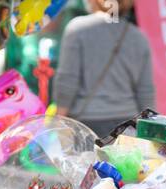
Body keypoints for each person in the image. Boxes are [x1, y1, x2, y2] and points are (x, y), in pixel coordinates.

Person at [52, 0, 155, 138]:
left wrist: (59, 123)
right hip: (128, 126)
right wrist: (149, 130)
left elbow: (67, 81)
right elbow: (145, 91)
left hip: (86, 124)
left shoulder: (78, 29)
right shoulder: (138, 37)